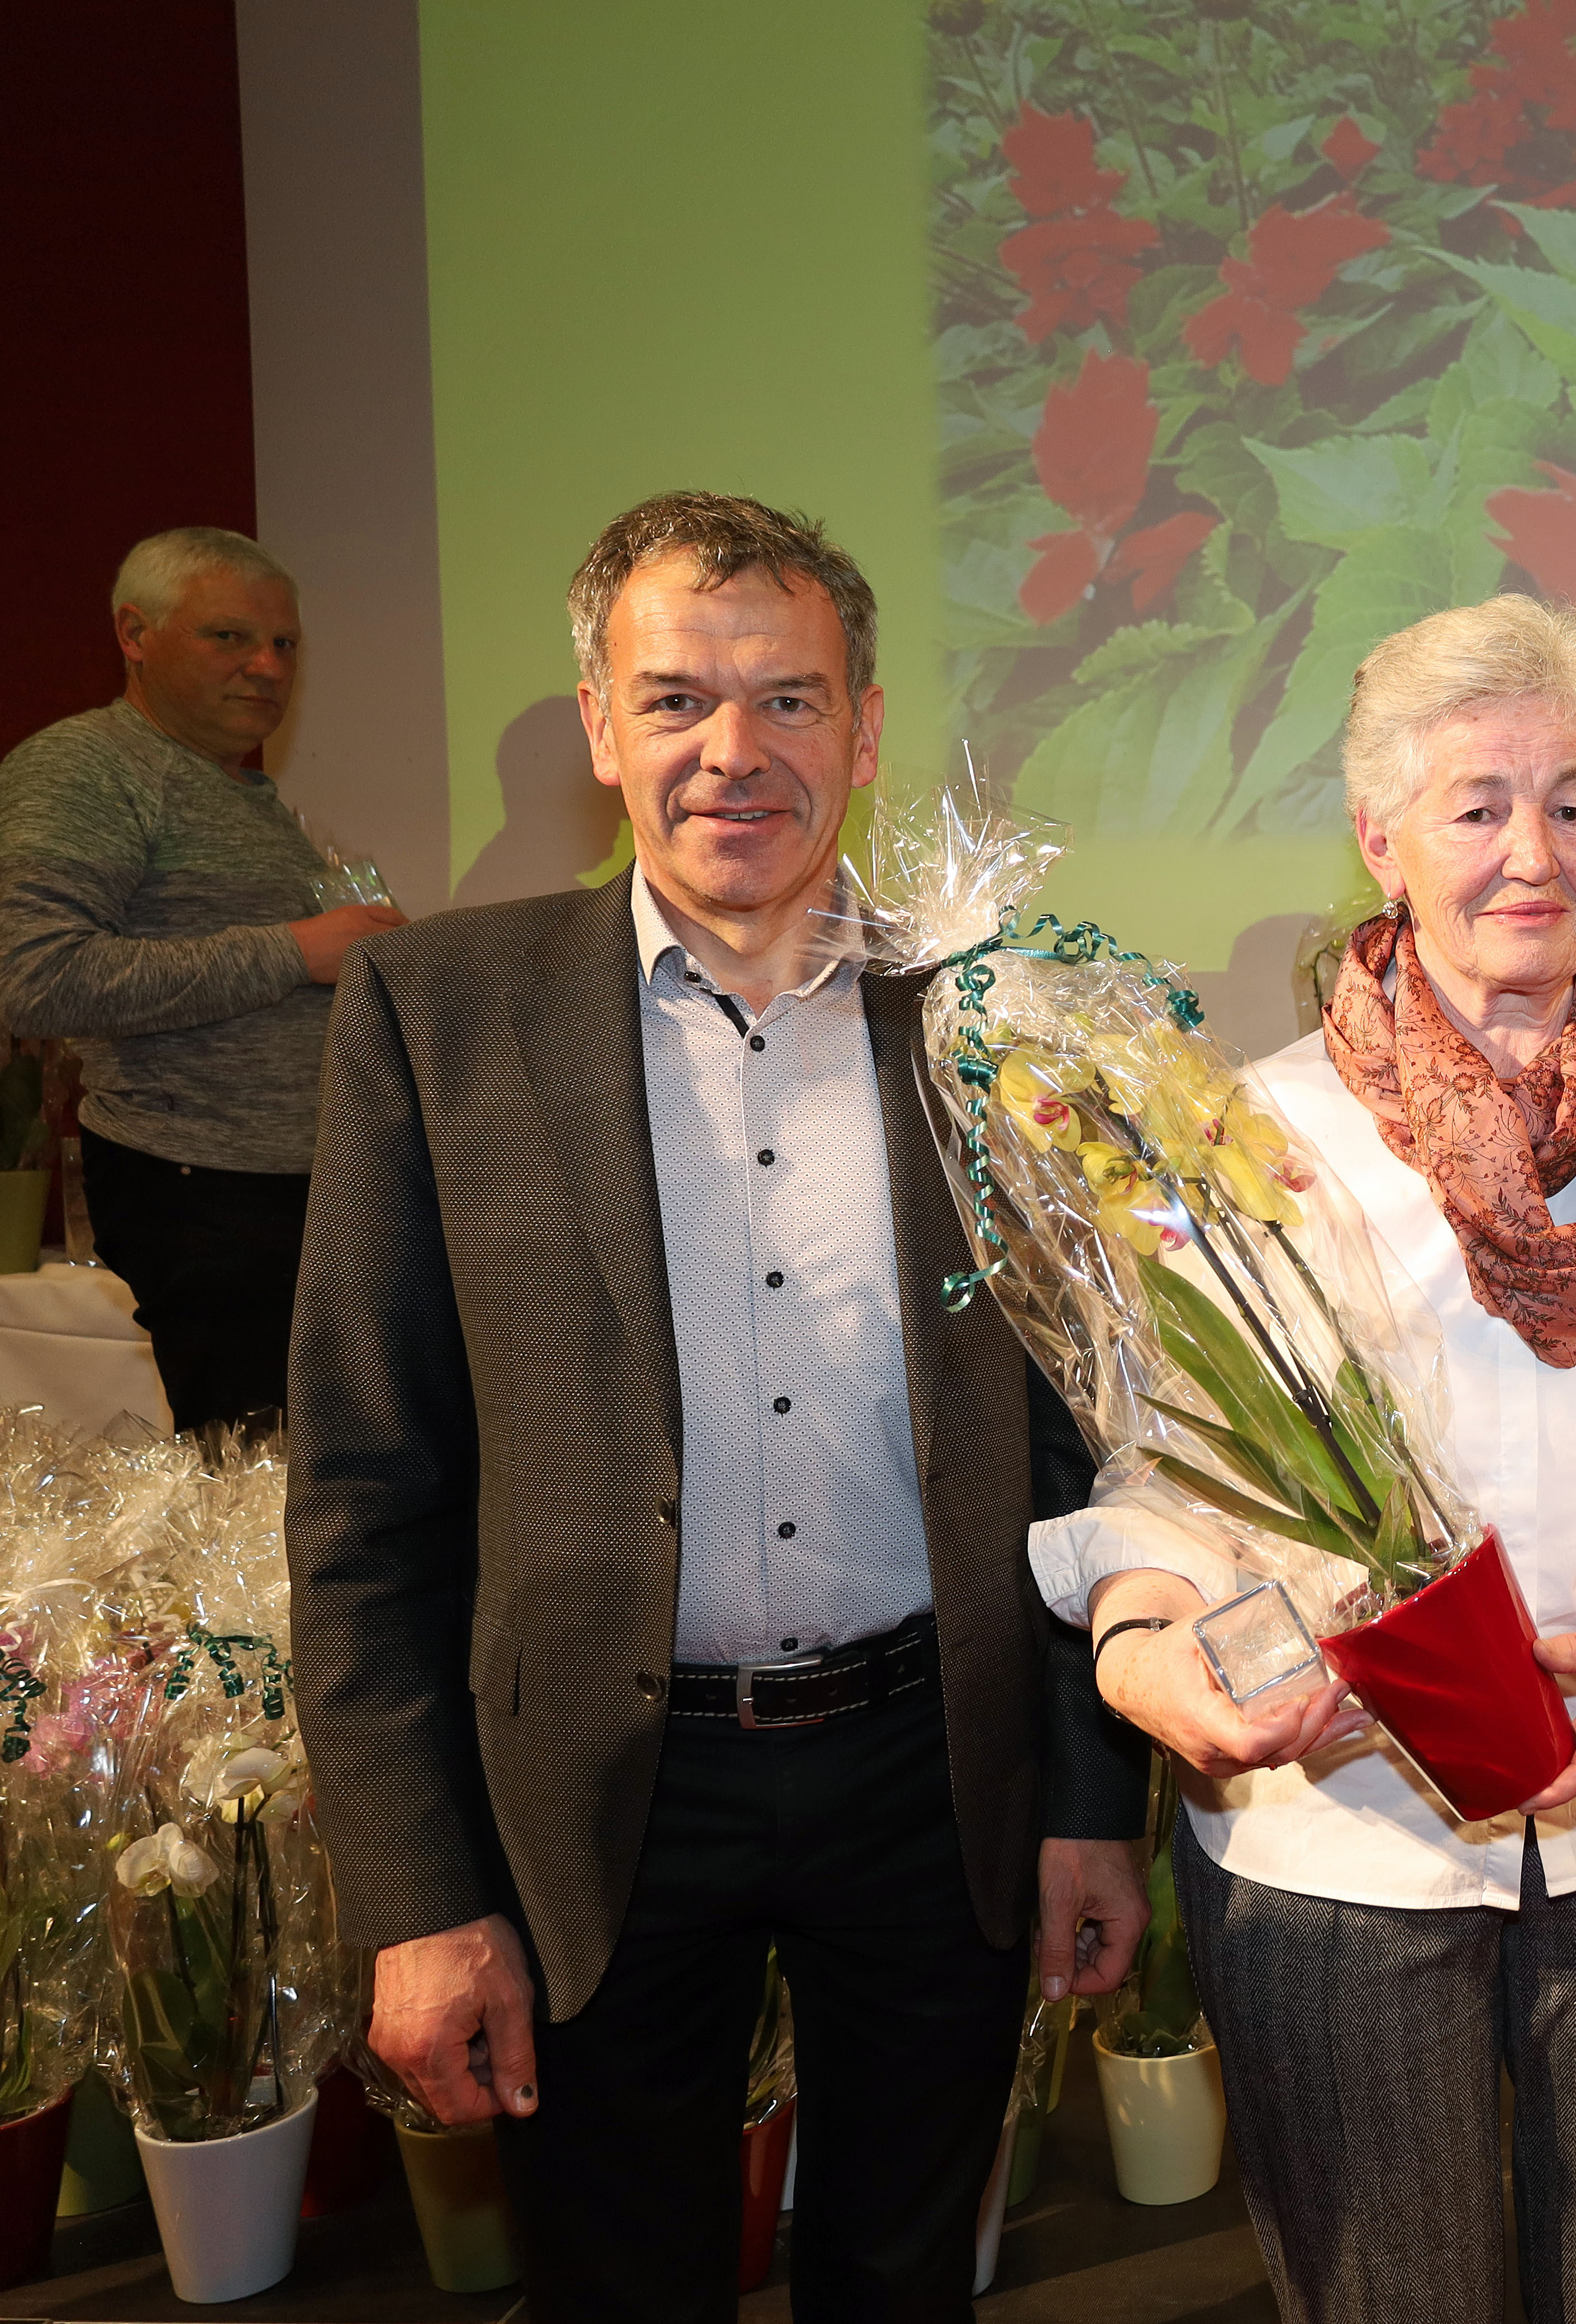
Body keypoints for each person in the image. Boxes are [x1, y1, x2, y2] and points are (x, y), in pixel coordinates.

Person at [287, 492, 1150, 2323]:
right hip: (597, 1793)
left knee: (907, 2275)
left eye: (789, 700)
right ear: (599, 728)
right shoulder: (441, 1017)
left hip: (934, 1773)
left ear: (866, 725)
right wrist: (419, 1894)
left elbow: (1078, 1443)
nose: (733, 752)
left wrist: (1091, 1802)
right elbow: (367, 1490)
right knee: (617, 2287)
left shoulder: (985, 1013)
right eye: (675, 699)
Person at [1029, 594, 1576, 2323]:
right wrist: (1146, 1652)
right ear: (1380, 837)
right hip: (1339, 1836)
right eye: (1478, 805)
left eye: (1573, 802)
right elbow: (1162, 1488)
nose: (1530, 854)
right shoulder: (1247, 1134)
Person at [0, 527, 407, 1430]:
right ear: (135, 634)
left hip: (290, 1185)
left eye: (285, 644)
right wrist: (297, 951)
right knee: (259, 1489)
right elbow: (34, 978)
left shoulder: (242, 795)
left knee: (325, 1473)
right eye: (229, 637)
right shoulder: (84, 769)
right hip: (200, 1190)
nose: (266, 666)